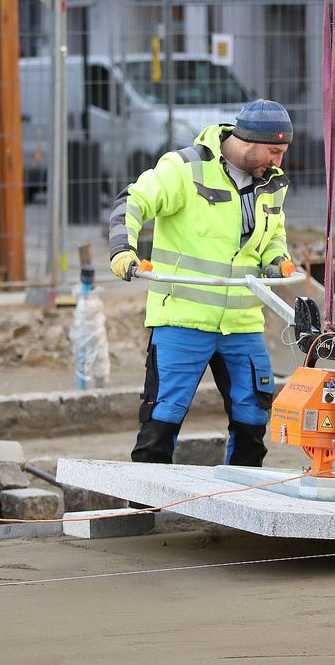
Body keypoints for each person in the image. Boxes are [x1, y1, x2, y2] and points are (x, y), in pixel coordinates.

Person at [108, 99, 297, 467]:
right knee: (162, 418)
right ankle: (144, 510)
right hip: (183, 320)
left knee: (254, 417)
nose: (279, 162)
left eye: (283, 152)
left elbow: (273, 235)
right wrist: (122, 250)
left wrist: (277, 261)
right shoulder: (184, 169)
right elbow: (132, 201)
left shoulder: (272, 184)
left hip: (242, 325)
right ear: (247, 141)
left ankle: (240, 506)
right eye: (274, 151)